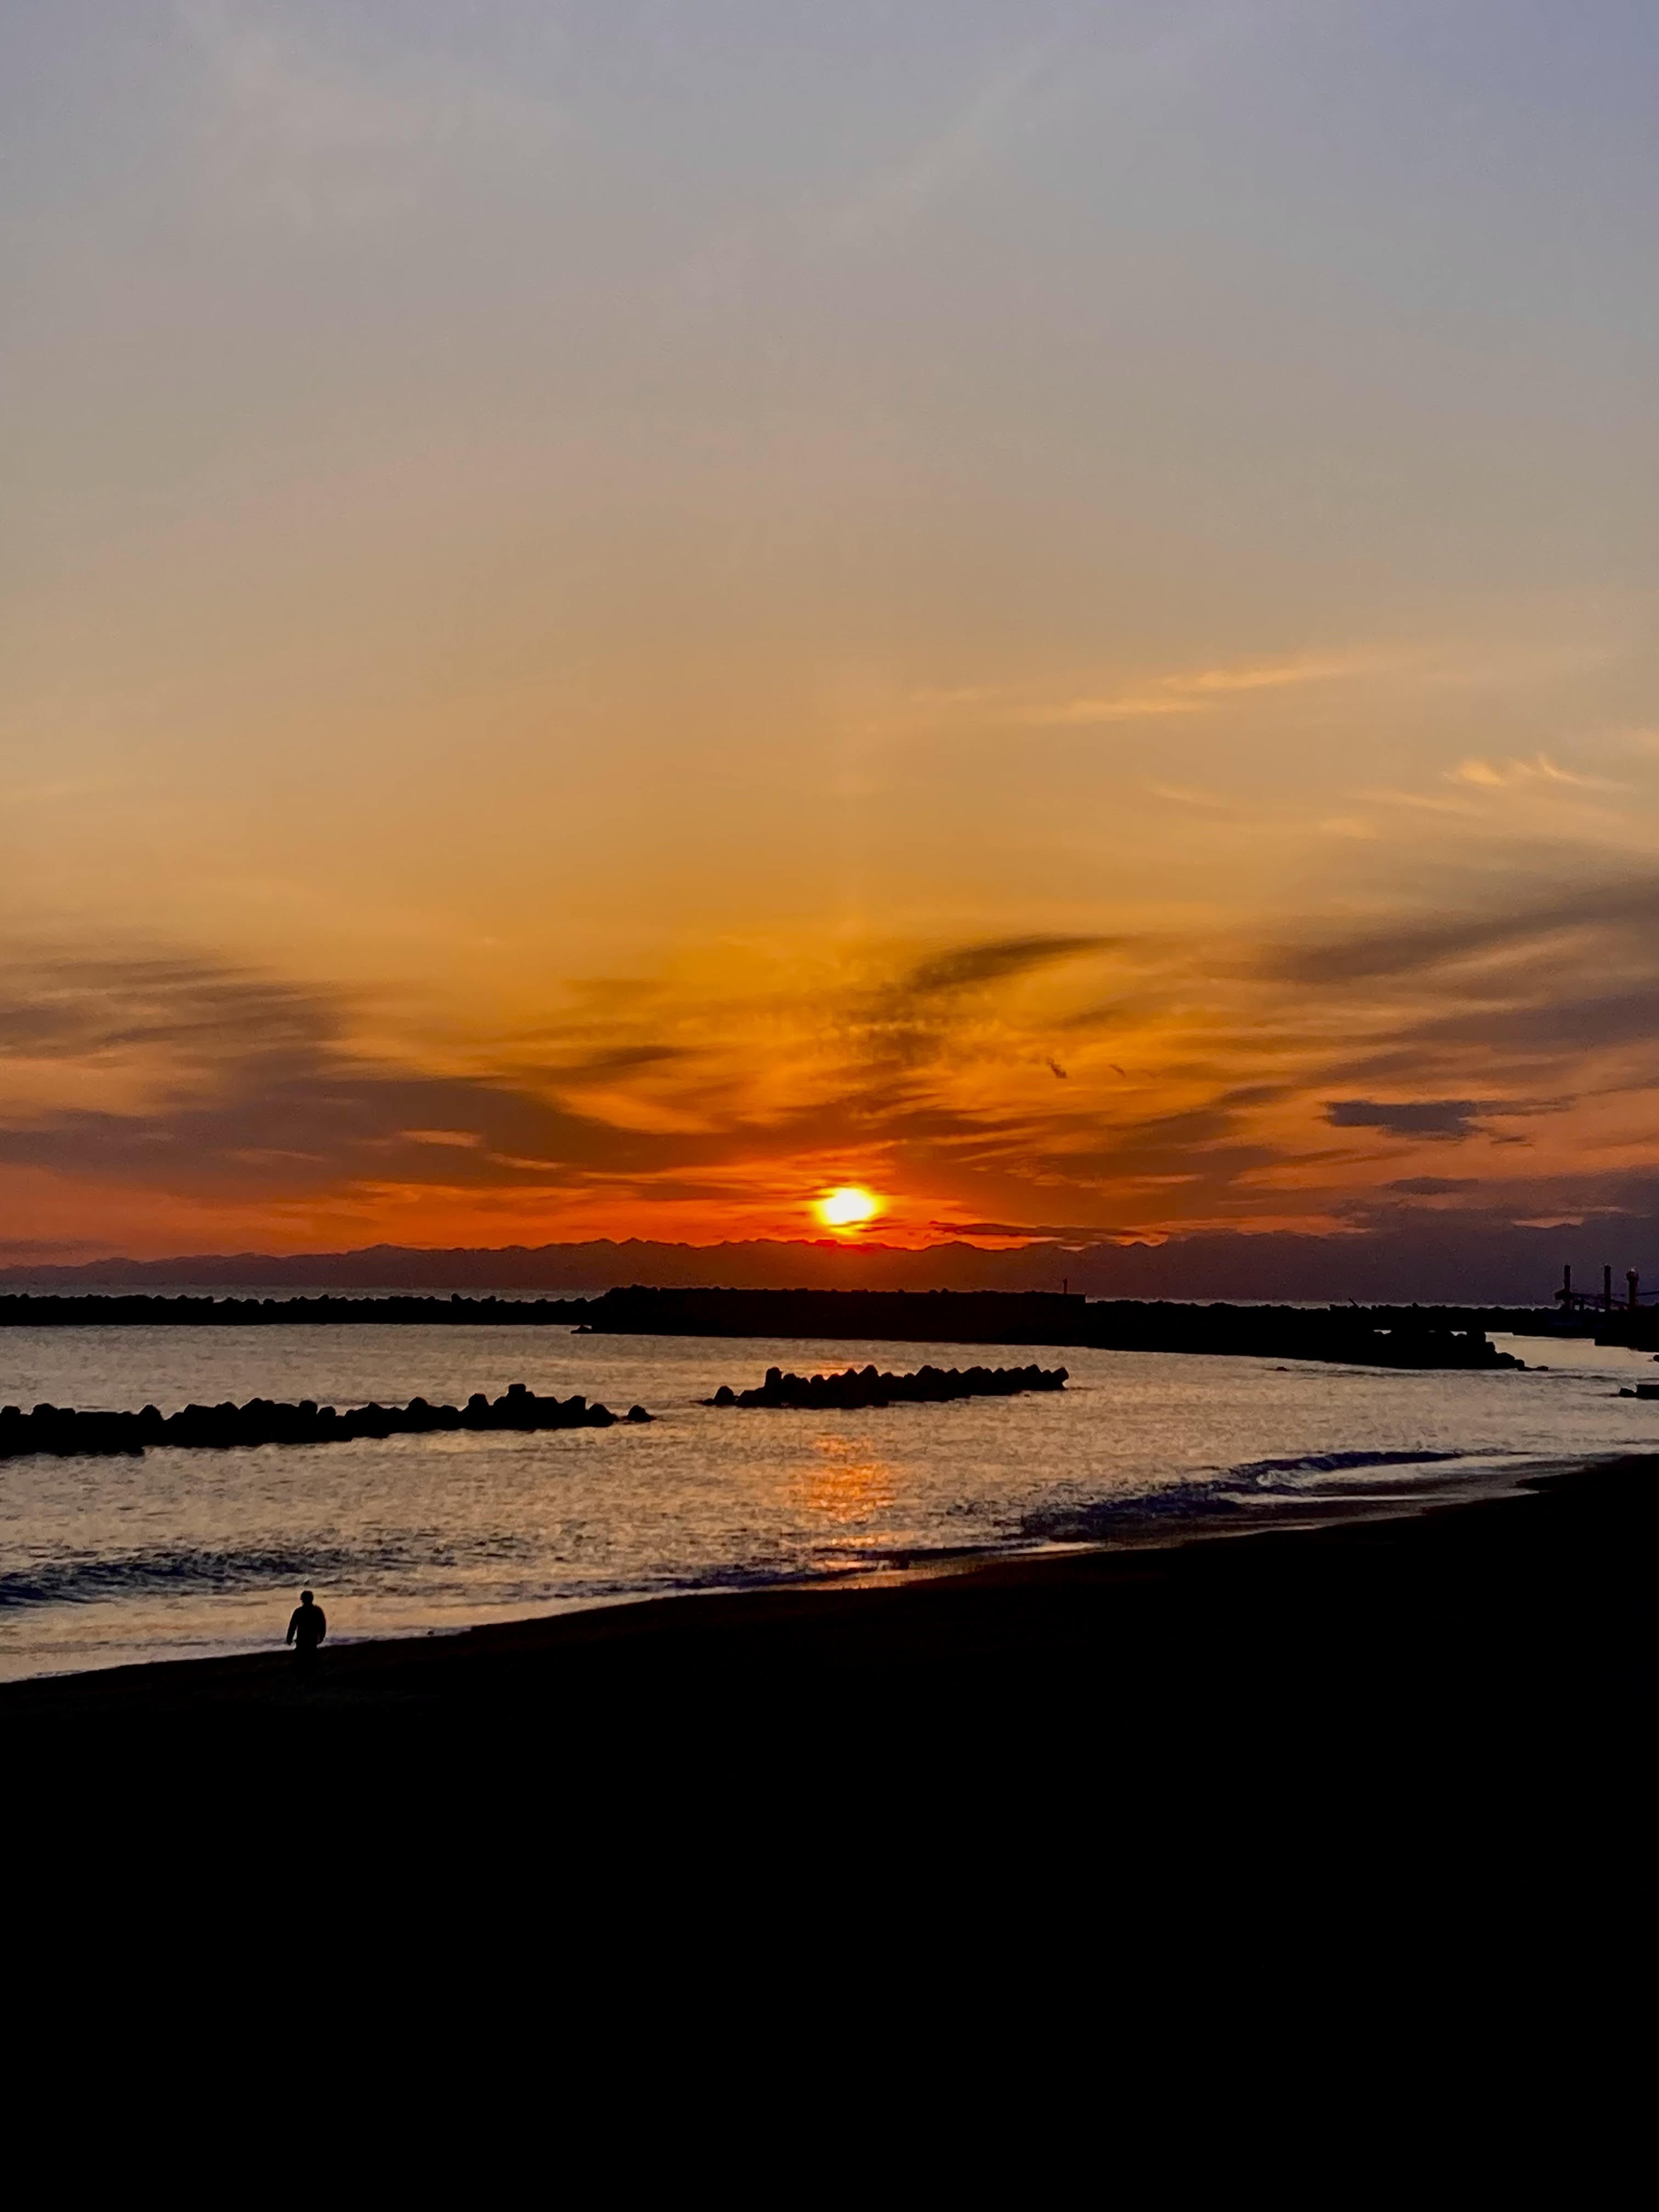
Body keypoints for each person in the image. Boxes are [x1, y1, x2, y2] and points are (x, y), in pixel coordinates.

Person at [286, 1588, 327, 1672]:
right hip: (312, 1638)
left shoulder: (299, 1611)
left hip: (302, 1639)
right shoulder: (317, 1611)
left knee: (301, 1660)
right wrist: (322, 1636)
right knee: (312, 1658)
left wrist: (289, 1638)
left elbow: (292, 1627)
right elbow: (323, 1625)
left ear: (302, 1599)